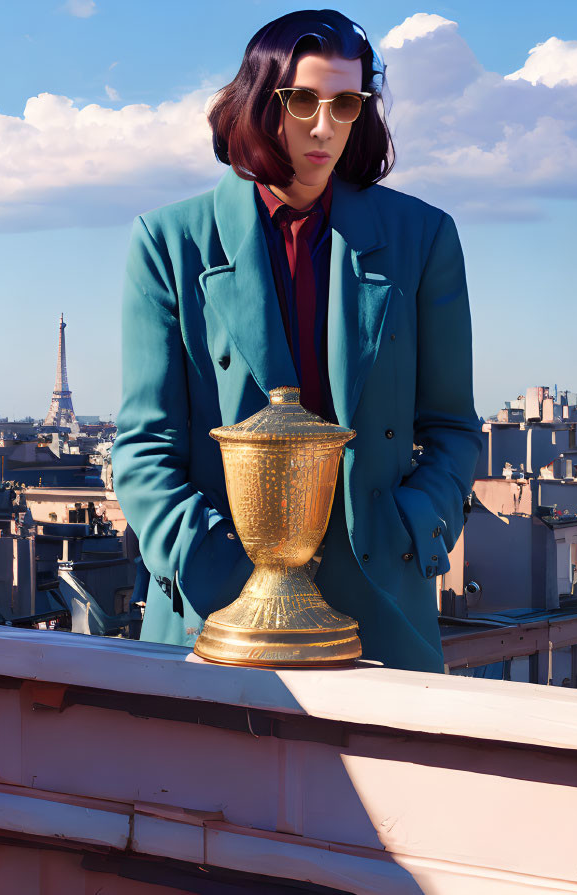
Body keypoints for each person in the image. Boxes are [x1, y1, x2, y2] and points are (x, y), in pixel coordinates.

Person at [111, 9, 482, 672]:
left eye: (345, 103)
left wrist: (406, 527)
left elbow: (451, 427)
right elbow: (144, 447)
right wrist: (222, 573)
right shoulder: (170, 242)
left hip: (375, 603)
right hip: (215, 612)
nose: (324, 126)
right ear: (259, 102)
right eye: (303, 100)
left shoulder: (421, 238)